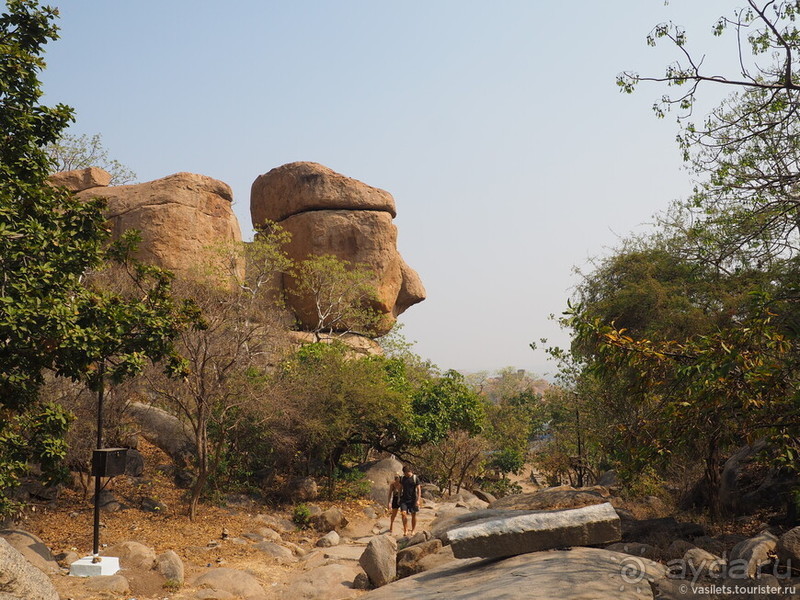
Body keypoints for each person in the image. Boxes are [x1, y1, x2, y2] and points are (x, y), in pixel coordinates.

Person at [399, 465, 422, 536]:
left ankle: (413, 530)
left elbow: (419, 489)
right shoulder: (402, 478)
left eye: (405, 473)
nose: (405, 474)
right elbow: (400, 488)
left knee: (413, 515)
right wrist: (399, 497)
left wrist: (418, 500)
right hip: (404, 499)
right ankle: (406, 530)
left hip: (413, 499)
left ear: (409, 471)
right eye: (404, 473)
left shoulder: (415, 478)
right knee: (403, 514)